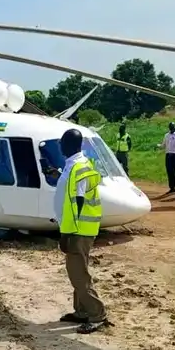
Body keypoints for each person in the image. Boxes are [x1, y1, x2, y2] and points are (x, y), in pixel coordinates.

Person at [54, 128, 109, 334]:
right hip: (75, 228)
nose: (59, 146)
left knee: (78, 274)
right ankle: (81, 311)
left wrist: (67, 233)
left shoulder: (79, 167)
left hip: (78, 230)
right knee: (76, 271)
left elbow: (77, 203)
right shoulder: (72, 166)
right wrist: (57, 175)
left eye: (61, 143)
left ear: (68, 145)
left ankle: (97, 314)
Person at [160, 122, 175, 194]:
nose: (171, 128)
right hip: (168, 155)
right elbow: (164, 145)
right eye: (170, 126)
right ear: (169, 127)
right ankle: (172, 187)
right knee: (170, 172)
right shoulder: (166, 135)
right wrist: (159, 146)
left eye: (173, 126)